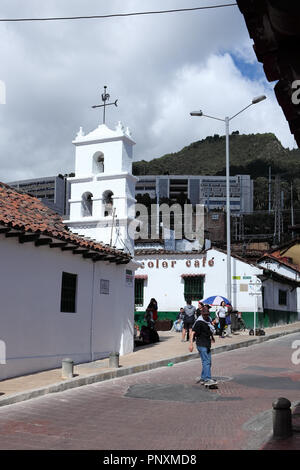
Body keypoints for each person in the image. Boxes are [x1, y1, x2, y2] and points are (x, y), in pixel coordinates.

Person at [189, 308, 217, 386]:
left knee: (208, 362)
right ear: (202, 314)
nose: (206, 316)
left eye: (207, 314)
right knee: (206, 362)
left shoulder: (208, 321)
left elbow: (208, 330)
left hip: (207, 344)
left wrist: (212, 337)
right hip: (201, 344)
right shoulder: (199, 322)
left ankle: (203, 377)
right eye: (204, 314)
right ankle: (207, 379)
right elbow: (192, 333)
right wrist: (191, 344)